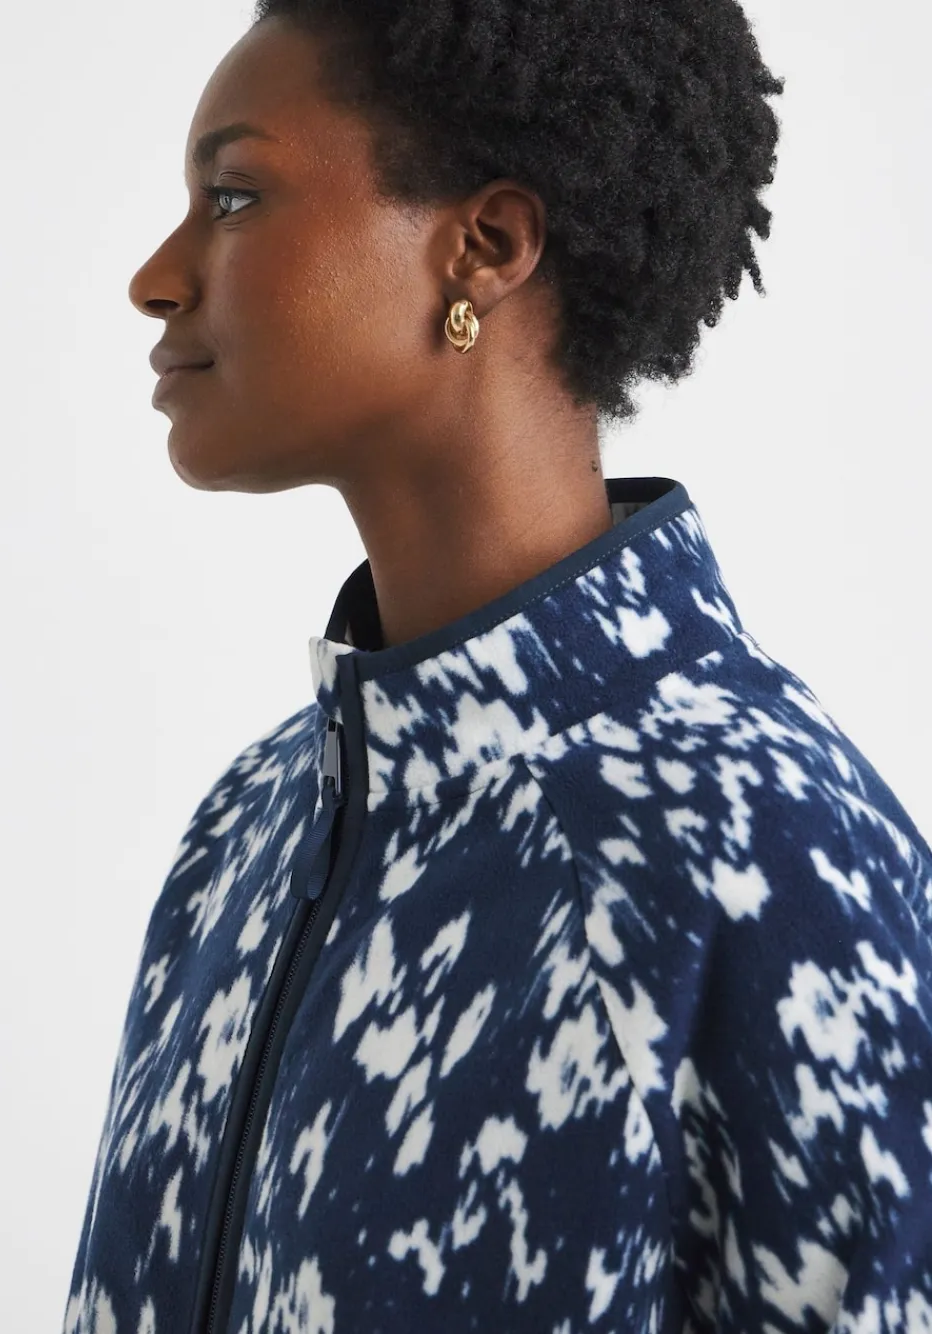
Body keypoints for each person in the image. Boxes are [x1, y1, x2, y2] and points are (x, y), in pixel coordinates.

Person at [64, 3, 932, 1331]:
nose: (156, 277)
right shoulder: (243, 834)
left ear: (486, 246)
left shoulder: (767, 846)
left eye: (233, 197)